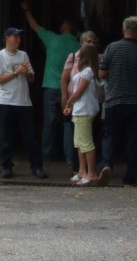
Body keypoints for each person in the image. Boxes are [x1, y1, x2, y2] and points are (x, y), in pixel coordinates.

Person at [98, 16, 137, 187]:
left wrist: (116, 74)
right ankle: (130, 178)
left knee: (110, 135)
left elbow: (102, 74)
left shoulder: (111, 48)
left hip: (114, 100)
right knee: (134, 140)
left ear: (123, 29)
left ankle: (106, 164)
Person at [22, 0, 80, 165]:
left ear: (66, 26)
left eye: (63, 24)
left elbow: (34, 26)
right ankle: (70, 157)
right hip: (69, 89)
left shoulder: (52, 39)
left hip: (51, 87)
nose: (60, 25)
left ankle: (47, 156)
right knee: (68, 124)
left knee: (49, 122)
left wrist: (27, 10)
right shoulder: (77, 45)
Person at [0, 27, 48, 179]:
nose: (18, 40)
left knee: (30, 136)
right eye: (15, 37)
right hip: (5, 101)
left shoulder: (23, 55)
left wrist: (26, 72)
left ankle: (37, 167)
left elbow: (32, 78)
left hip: (24, 102)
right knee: (6, 136)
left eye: (19, 37)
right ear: (7, 38)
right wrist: (16, 72)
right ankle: (6, 167)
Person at [61, 30, 101, 176]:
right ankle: (82, 171)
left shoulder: (88, 72)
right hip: (79, 109)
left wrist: (68, 102)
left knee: (86, 143)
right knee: (78, 142)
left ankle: (91, 173)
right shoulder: (85, 70)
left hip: (84, 109)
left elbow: (79, 91)